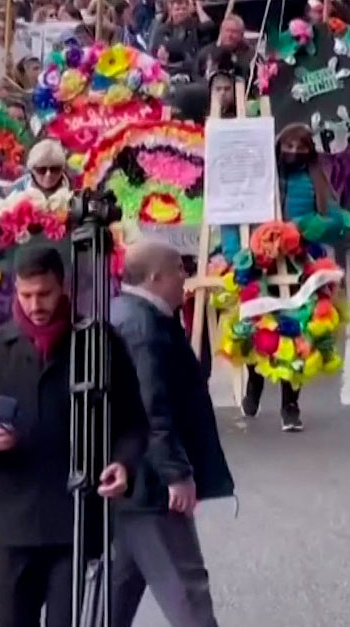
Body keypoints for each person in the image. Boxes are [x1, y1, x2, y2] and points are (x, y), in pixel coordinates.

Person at [0, 243, 148, 627]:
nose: (36, 303)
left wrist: (123, 464)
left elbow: (134, 422)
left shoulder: (98, 343)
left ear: (63, 287)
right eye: (26, 294)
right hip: (11, 527)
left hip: (74, 522)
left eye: (45, 294)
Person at [109, 243, 233, 627]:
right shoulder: (142, 326)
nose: (186, 277)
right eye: (179, 269)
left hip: (133, 480)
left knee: (120, 587)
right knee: (186, 587)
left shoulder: (130, 314)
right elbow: (152, 408)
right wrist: (175, 473)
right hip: (150, 482)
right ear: (155, 277)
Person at [226, 124, 349, 432]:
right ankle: (254, 382)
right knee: (257, 326)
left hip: (298, 267)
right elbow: (232, 216)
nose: (293, 151)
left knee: (296, 332)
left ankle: (290, 403)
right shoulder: (260, 178)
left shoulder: (316, 180)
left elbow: (339, 220)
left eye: (301, 146)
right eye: (288, 145)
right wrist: (237, 254)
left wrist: (304, 228)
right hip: (259, 264)